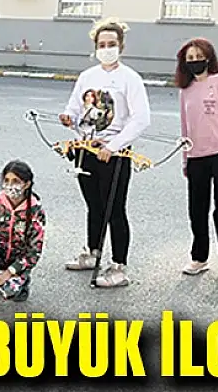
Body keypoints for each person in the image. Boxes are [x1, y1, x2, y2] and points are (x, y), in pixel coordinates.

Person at [60, 18, 151, 287]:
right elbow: (75, 109)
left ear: (121, 46)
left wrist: (113, 146)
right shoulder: (87, 77)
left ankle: (119, 266)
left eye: (112, 44)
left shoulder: (130, 78)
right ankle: (93, 252)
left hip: (114, 153)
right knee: (94, 206)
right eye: (102, 44)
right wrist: (68, 118)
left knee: (114, 209)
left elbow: (140, 119)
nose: (106, 48)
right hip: (87, 149)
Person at [174, 38, 218, 280]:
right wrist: (185, 159)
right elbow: (185, 128)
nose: (195, 61)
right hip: (196, 156)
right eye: (190, 58)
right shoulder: (185, 90)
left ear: (208, 58)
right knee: (197, 209)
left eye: (199, 57)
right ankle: (199, 257)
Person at [0, 161, 46, 306]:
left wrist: (9, 272)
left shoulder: (36, 211)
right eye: (6, 180)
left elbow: (34, 252)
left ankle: (22, 281)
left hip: (18, 259)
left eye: (16, 181)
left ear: (27, 184)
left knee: (9, 291)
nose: (10, 185)